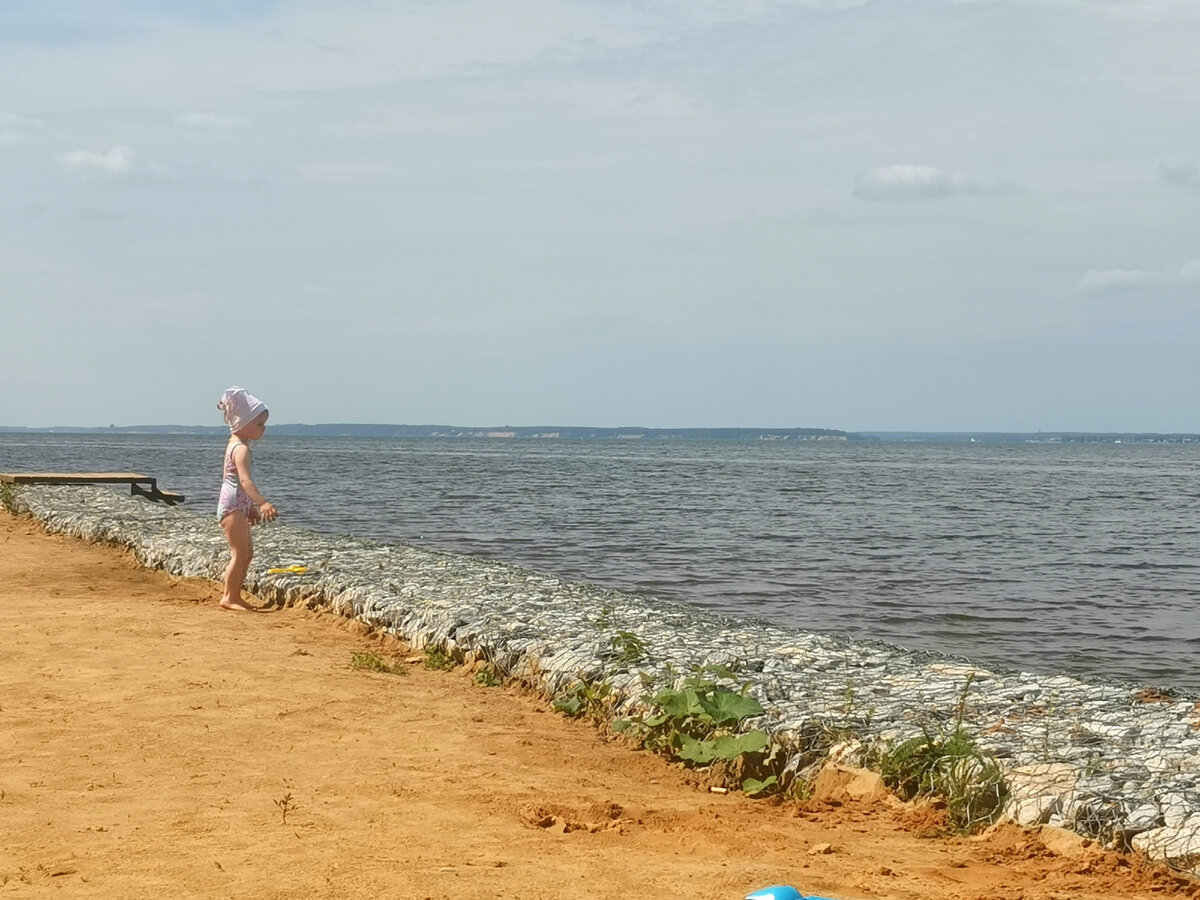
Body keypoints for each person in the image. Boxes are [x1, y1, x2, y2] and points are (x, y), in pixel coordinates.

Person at [216, 386, 278, 610]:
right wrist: (262, 503)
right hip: (232, 506)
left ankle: (234, 594)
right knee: (239, 552)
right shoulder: (240, 449)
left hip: (237, 505)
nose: (263, 429)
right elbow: (244, 481)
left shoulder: (237, 446)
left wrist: (248, 506)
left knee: (247, 553)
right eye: (259, 424)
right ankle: (229, 597)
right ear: (244, 423)